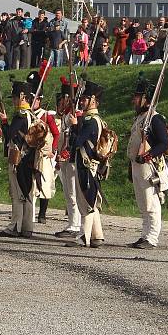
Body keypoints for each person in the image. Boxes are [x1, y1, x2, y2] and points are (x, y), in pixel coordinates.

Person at [128, 73, 168, 249]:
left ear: (146, 99)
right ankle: (144, 234)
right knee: (142, 202)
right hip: (137, 165)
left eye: (137, 97)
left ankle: (152, 237)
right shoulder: (140, 118)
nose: (134, 100)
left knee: (151, 202)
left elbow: (164, 143)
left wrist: (149, 155)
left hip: (149, 166)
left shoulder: (155, 118)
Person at [67, 80, 109, 248]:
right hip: (88, 164)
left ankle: (84, 237)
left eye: (84, 99)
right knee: (90, 200)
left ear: (93, 99)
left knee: (86, 202)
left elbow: (77, 143)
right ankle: (97, 236)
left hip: (86, 164)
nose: (82, 102)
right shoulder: (93, 119)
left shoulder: (91, 121)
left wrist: (75, 126)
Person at [0, 80, 37, 238]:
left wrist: (5, 122)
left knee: (17, 193)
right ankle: (27, 226)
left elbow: (9, 135)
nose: (13, 100)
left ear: (22, 97)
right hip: (28, 158)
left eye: (14, 97)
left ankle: (15, 226)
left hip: (19, 158)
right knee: (26, 191)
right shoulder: (31, 114)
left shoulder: (20, 115)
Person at [26, 68, 59, 225]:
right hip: (30, 151)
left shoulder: (46, 115)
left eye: (34, 99)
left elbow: (56, 134)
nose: (32, 102)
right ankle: (30, 213)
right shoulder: (26, 114)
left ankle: (43, 213)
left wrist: (52, 149)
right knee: (30, 183)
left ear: (39, 99)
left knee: (44, 183)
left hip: (44, 154)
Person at [54, 78, 82, 239]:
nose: (61, 101)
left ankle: (75, 225)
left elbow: (74, 135)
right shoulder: (66, 113)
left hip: (71, 157)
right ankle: (72, 222)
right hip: (63, 157)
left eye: (64, 98)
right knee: (68, 192)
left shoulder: (76, 113)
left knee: (72, 192)